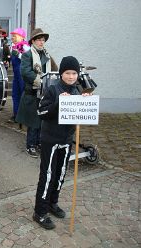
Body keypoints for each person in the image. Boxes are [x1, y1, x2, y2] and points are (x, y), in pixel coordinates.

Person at [33, 56, 89, 230]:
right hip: (51, 140)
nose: (71, 76)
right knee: (48, 176)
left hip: (66, 140)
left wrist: (85, 102)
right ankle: (40, 211)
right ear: (61, 73)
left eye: (74, 73)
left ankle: (52, 203)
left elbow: (79, 113)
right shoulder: (52, 89)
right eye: (67, 73)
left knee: (61, 174)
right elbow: (41, 112)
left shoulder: (77, 90)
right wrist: (58, 103)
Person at [16, 28, 57, 158]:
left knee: (42, 121)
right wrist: (41, 81)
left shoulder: (46, 55)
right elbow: (25, 72)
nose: (41, 42)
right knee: (33, 122)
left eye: (43, 40)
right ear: (33, 41)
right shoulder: (28, 54)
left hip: (45, 92)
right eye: (39, 39)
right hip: (33, 92)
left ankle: (39, 143)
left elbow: (54, 70)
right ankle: (30, 145)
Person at [9, 28, 30, 124]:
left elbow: (30, 59)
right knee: (15, 94)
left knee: (23, 94)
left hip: (23, 74)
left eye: (15, 35)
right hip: (16, 74)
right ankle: (16, 115)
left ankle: (24, 116)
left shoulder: (25, 46)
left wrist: (18, 54)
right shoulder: (13, 46)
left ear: (22, 37)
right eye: (12, 35)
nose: (12, 37)